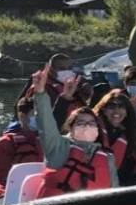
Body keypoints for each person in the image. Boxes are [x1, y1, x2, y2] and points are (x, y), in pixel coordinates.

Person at [30, 64, 118, 197]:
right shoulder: (58, 147)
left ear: (98, 129)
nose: (87, 126)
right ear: (70, 128)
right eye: (81, 123)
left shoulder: (107, 157)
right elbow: (45, 123)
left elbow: (115, 192)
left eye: (91, 123)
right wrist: (40, 93)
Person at [0, 97, 44, 200]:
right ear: (23, 116)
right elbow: (1, 177)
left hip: (39, 192)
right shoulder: (7, 142)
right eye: (35, 114)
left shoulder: (46, 140)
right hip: (8, 193)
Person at [93, 89, 136, 185]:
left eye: (121, 106)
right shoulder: (92, 129)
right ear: (103, 109)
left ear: (127, 112)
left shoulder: (128, 135)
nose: (116, 110)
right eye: (111, 106)